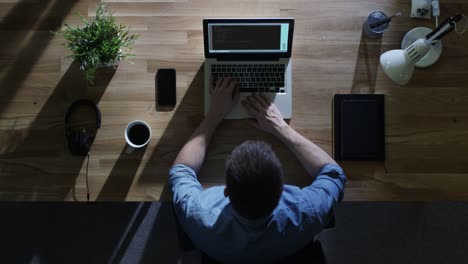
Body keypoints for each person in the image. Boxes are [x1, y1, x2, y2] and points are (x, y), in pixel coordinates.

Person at [169, 77, 347, 263]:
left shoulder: (199, 216)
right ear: (282, 189)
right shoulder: (308, 210)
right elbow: (334, 174)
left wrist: (214, 114)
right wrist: (281, 128)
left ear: (226, 191)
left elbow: (180, 172)